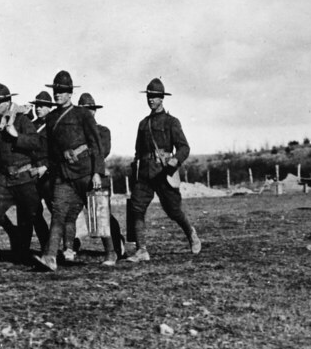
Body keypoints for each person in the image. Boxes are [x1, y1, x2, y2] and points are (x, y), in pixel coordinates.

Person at [36, 71, 107, 271]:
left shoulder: (83, 114)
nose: (58, 94)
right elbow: (50, 150)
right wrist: (50, 168)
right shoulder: (51, 119)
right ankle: (50, 256)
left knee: (98, 214)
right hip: (63, 175)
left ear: (70, 93)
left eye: (62, 91)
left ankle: (111, 252)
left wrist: (97, 173)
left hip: (85, 172)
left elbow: (96, 145)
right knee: (58, 213)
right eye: (56, 90)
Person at [125, 77, 201, 262]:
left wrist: (176, 159)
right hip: (144, 173)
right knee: (136, 207)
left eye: (155, 96)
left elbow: (184, 147)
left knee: (173, 210)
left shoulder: (171, 122)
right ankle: (142, 250)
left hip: (164, 172)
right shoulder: (143, 124)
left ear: (162, 98)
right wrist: (135, 173)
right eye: (149, 96)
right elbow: (138, 152)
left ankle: (191, 233)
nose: (151, 99)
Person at [0, 83, 43, 266]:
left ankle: (48, 252)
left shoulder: (22, 120)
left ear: (8, 101)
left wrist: (16, 137)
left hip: (23, 178)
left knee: (33, 215)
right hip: (2, 179)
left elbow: (36, 143)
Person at [64, 92, 123, 266]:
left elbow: (101, 151)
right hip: (76, 179)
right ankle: (69, 250)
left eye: (90, 110)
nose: (88, 113)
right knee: (70, 215)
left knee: (101, 217)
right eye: (84, 110)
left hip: (95, 178)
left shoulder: (103, 131)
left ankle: (111, 252)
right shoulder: (73, 133)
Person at [28, 91, 54, 250]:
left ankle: (69, 245)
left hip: (49, 174)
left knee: (56, 212)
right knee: (34, 211)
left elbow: (58, 151)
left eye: (42, 106)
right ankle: (46, 244)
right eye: (36, 106)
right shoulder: (32, 125)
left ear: (50, 107)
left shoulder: (55, 124)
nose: (38, 109)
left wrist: (46, 166)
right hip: (33, 173)